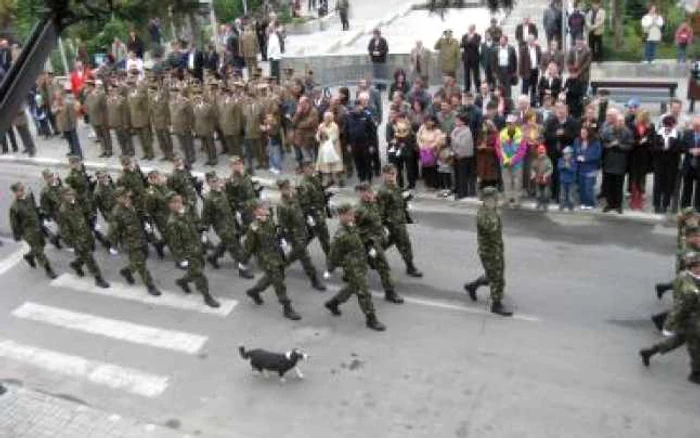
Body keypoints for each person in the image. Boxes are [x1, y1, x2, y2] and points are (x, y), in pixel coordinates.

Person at [323, 203, 386, 331]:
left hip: (361, 263)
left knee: (352, 287)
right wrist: (330, 269)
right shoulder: (340, 235)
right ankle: (371, 319)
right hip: (352, 267)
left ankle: (333, 303)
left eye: (352, 214)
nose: (352, 217)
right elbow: (333, 255)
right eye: (349, 215)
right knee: (364, 292)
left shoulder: (351, 227)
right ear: (341, 216)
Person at [241, 201, 301, 320]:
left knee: (274, 277)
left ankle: (254, 291)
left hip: (276, 254)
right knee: (278, 281)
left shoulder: (269, 220)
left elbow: (275, 234)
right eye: (263, 208)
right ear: (256, 211)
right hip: (266, 259)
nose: (266, 209)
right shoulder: (254, 227)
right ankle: (287, 307)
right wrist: (243, 262)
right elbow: (248, 246)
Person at [464, 187, 513, 316]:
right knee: (497, 278)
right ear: (486, 199)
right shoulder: (483, 215)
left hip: (496, 249)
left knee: (492, 275)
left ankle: (472, 286)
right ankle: (496, 304)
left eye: (496, 198)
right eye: (494, 198)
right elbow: (492, 229)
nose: (497, 200)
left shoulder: (492, 210)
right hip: (489, 251)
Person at [166, 193, 220, 308]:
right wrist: (181, 259)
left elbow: (193, 226)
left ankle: (182, 281)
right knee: (200, 275)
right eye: (174, 203)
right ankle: (207, 296)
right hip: (188, 254)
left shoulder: (185, 213)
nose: (178, 205)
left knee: (196, 271)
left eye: (179, 202)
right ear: (169, 205)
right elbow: (175, 244)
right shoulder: (172, 222)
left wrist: (201, 231)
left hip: (197, 247)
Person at [107, 187, 160, 296]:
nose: (126, 198)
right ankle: (150, 286)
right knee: (141, 265)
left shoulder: (130, 205)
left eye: (126, 196)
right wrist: (114, 245)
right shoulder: (117, 213)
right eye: (123, 197)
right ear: (117, 199)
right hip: (131, 243)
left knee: (144, 257)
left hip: (141, 238)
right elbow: (112, 232)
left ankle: (127, 271)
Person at [276, 179, 326, 291]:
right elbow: (283, 224)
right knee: (305, 258)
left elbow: (304, 200)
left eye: (289, 187)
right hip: (294, 235)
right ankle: (314, 280)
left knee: (295, 255)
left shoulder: (294, 196)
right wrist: (285, 238)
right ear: (280, 190)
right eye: (285, 189)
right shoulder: (281, 205)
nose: (288, 190)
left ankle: (279, 268)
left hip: (303, 231)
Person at [201, 173, 253, 279]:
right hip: (222, 228)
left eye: (216, 180)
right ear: (208, 184)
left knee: (226, 243)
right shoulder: (209, 199)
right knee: (236, 248)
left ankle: (213, 257)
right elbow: (206, 216)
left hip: (231, 223)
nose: (215, 183)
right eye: (212, 182)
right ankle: (243, 269)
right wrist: (204, 232)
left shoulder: (222, 192)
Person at [378, 164, 423, 278]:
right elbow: (381, 211)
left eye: (395, 173)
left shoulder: (395, 187)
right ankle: (410, 267)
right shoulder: (384, 191)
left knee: (385, 245)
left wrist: (407, 196)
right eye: (390, 174)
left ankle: (368, 257)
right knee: (404, 244)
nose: (393, 176)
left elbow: (400, 200)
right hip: (392, 224)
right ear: (384, 175)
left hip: (399, 221)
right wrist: (382, 226)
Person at [59, 188, 110, 288]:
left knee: (88, 253)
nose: (71, 196)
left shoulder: (77, 203)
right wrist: (71, 242)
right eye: (68, 195)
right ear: (63, 197)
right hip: (77, 238)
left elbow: (85, 213)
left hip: (86, 233)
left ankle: (76, 264)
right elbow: (64, 229)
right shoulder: (63, 211)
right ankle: (98, 278)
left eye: (72, 194)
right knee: (89, 258)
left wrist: (91, 219)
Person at [9, 182, 58, 279]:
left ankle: (29, 256)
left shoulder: (28, 198)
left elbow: (35, 209)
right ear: (15, 193)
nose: (23, 191)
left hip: (38, 227)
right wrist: (17, 235)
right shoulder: (14, 207)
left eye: (23, 189)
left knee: (42, 245)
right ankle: (48, 269)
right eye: (20, 190)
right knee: (39, 251)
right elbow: (14, 223)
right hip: (28, 232)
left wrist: (41, 214)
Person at [297, 160, 332, 261]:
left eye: (313, 167)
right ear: (304, 169)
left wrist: (326, 193)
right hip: (313, 214)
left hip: (319, 211)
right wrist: (311, 218)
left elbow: (319, 190)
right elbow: (305, 205)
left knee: (316, 235)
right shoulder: (304, 185)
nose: (313, 170)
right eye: (310, 168)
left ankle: (297, 251)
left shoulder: (314, 178)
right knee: (320, 235)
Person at [600, 112, 633, 213]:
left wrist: (619, 145)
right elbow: (602, 143)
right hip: (609, 161)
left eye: (622, 121)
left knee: (618, 185)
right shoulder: (607, 130)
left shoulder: (628, 132)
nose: (620, 123)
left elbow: (630, 146)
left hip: (620, 161)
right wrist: (610, 145)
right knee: (609, 185)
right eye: (618, 121)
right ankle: (609, 204)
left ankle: (618, 205)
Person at [498, 115, 526, 208]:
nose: (509, 125)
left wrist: (513, 160)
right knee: (506, 181)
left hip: (517, 163)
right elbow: (498, 148)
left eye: (511, 123)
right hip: (505, 161)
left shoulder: (521, 135)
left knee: (517, 181)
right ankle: (507, 199)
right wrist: (504, 159)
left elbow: (522, 150)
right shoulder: (502, 134)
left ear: (515, 124)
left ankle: (517, 201)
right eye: (508, 123)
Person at [573, 126, 602, 210]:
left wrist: (585, 158)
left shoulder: (595, 142)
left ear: (589, 133)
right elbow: (575, 152)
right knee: (581, 186)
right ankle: (583, 202)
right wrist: (577, 157)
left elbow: (597, 155)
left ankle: (590, 203)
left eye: (584, 133)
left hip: (591, 167)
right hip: (580, 167)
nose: (582, 134)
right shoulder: (577, 141)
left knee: (588, 187)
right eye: (581, 133)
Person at [84, 79, 112, 157]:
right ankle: (103, 150)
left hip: (101, 119)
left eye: (87, 87)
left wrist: (106, 119)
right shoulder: (88, 95)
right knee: (99, 136)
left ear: (92, 87)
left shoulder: (101, 94)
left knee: (106, 135)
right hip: (93, 119)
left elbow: (105, 108)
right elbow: (86, 106)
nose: (86, 88)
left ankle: (109, 150)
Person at [451, 114, 474, 200]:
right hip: (456, 155)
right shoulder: (455, 130)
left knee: (462, 175)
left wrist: (453, 138)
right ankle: (457, 190)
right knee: (457, 174)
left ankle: (463, 193)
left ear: (463, 122)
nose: (456, 121)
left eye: (457, 120)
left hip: (464, 156)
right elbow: (453, 142)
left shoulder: (467, 131)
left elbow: (464, 144)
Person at [681, 116, 700, 210]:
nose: (697, 127)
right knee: (686, 190)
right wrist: (689, 150)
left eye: (699, 126)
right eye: (695, 125)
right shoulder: (687, 133)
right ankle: (685, 209)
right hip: (688, 166)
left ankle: (697, 210)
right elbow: (682, 147)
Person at [518, 35, 542, 107]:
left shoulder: (537, 47)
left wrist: (539, 65)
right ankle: (524, 104)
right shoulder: (523, 49)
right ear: (527, 41)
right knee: (525, 89)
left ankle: (533, 103)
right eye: (529, 40)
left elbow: (540, 57)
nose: (531, 42)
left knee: (534, 88)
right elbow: (521, 61)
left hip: (535, 70)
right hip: (526, 71)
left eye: (532, 40)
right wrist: (521, 73)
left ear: (534, 40)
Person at [531, 144, 553, 210]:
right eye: (540, 153)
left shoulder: (548, 160)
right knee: (538, 193)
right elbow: (533, 168)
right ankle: (539, 203)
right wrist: (533, 174)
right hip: (538, 179)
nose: (541, 154)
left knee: (546, 193)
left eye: (542, 152)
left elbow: (550, 169)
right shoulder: (536, 160)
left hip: (546, 180)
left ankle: (545, 204)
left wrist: (546, 175)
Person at [460, 25, 482, 93]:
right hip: (466, 58)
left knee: (476, 74)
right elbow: (461, 45)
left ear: (474, 29)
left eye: (472, 28)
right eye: (469, 28)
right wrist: (469, 43)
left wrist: (467, 43)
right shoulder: (464, 36)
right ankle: (467, 88)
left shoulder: (478, 36)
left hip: (475, 58)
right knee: (466, 74)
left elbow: (476, 45)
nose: (470, 29)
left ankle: (478, 87)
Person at [557, 146, 578, 211]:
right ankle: (562, 205)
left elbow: (574, 170)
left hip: (571, 181)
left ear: (571, 154)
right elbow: (559, 168)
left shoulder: (573, 161)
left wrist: (569, 167)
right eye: (565, 154)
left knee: (571, 195)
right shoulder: (561, 160)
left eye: (568, 154)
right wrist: (564, 166)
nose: (566, 155)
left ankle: (571, 206)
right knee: (562, 194)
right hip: (563, 181)